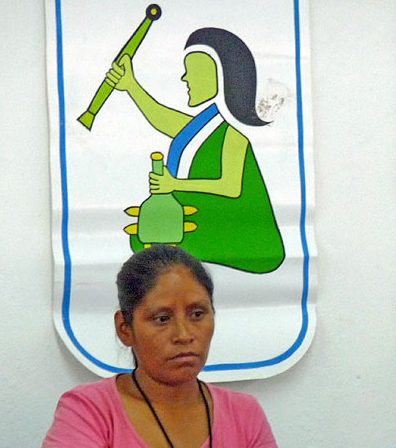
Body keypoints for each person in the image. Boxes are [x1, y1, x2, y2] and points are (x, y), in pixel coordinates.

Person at [37, 245, 287, 448]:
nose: (184, 334)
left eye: (198, 314)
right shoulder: (87, 411)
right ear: (125, 329)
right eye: (162, 319)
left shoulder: (245, 414)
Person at [105, 27, 284, 274]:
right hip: (200, 218)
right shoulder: (205, 124)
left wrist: (174, 184)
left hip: (238, 233)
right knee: (144, 236)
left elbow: (230, 187)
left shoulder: (233, 135)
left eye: (194, 71)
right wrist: (131, 85)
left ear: (221, 77)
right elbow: (162, 118)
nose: (185, 79)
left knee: (149, 242)